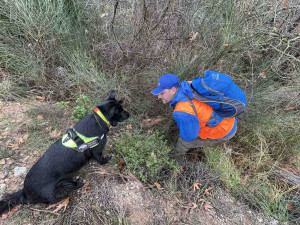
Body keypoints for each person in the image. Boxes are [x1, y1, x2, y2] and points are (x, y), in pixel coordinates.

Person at [151, 74, 237, 155]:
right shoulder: (188, 84)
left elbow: (190, 137)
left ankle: (176, 158)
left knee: (184, 142)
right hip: (229, 117)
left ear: (173, 90)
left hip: (225, 129)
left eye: (162, 93)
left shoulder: (181, 112)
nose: (159, 96)